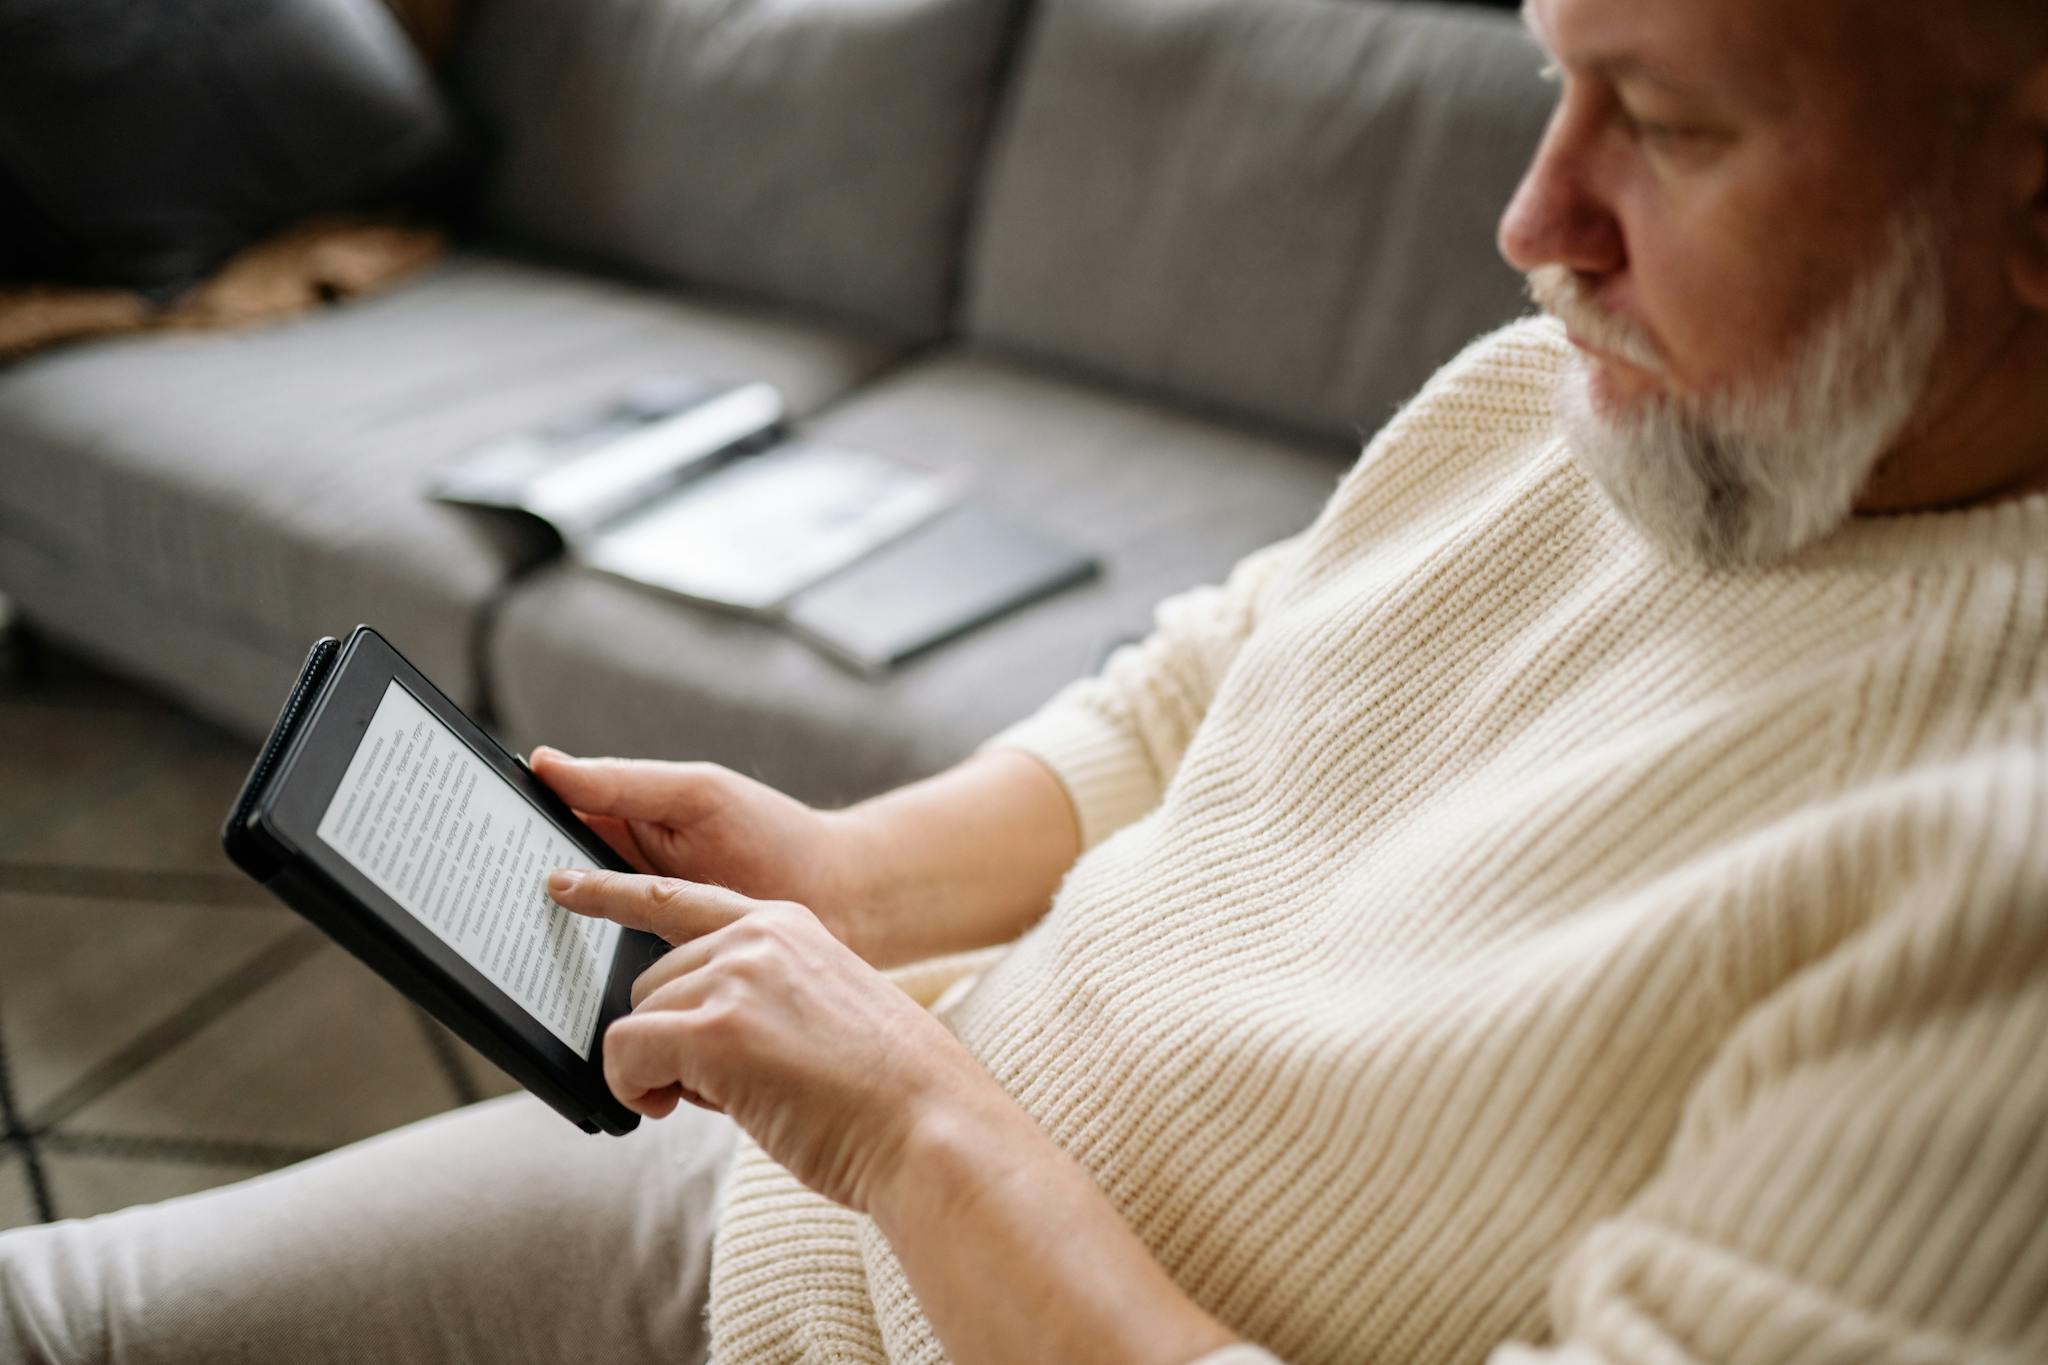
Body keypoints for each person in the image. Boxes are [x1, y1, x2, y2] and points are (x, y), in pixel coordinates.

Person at [6, 0, 2047, 1359]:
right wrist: (850, 879)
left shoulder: (1999, 913)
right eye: (1553, 81)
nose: (1534, 225)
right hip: (792, 1214)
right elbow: (1216, 685)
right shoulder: (1565, 398)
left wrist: (920, 1133)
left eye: (1669, 127)